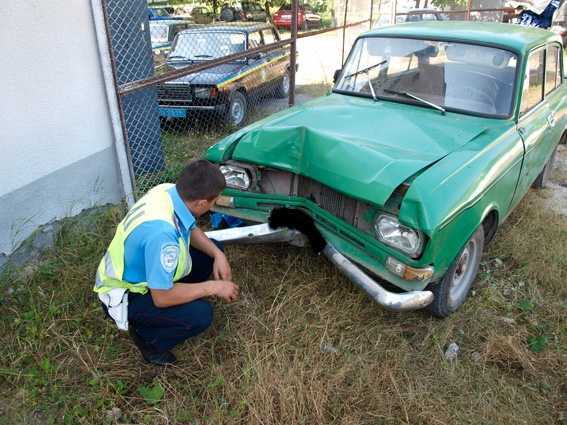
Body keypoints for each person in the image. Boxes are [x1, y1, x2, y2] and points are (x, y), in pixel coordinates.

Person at [94, 160, 239, 365]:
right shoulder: (162, 236)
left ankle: (184, 291)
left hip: (143, 269)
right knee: (201, 315)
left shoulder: (168, 191)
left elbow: (189, 227)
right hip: (127, 294)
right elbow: (161, 297)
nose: (214, 206)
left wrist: (218, 255)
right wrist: (212, 287)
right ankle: (149, 340)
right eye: (213, 202)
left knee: (212, 248)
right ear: (201, 203)